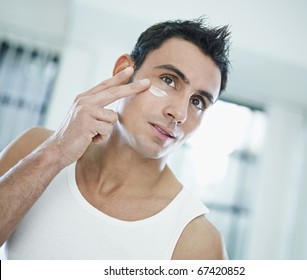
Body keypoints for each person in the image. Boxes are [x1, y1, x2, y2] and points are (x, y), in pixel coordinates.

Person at [0, 18, 231, 259]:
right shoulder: (35, 148)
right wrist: (56, 153)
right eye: (169, 80)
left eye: (197, 102)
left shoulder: (197, 240)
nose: (179, 114)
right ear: (124, 72)